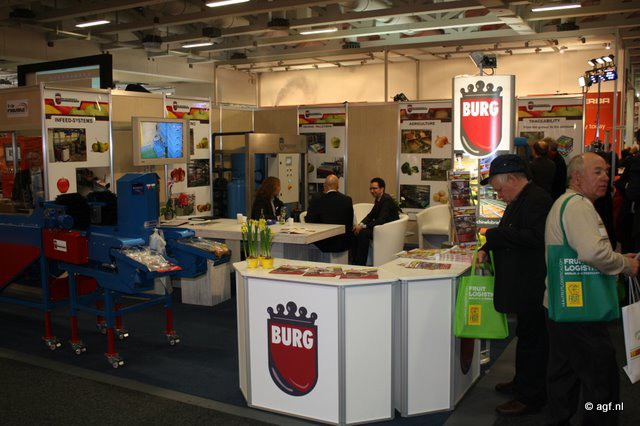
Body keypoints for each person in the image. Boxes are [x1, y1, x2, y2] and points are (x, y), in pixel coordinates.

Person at [544, 153, 639, 426]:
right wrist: (625, 264)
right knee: (601, 378)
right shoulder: (578, 206)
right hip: (580, 310)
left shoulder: (566, 203)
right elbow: (592, 252)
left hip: (561, 305)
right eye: (597, 172)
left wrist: (617, 258)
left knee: (563, 374)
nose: (605, 178)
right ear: (576, 177)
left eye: (606, 171)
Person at [477, 154, 552, 416]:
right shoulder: (520, 198)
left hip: (533, 285)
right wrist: (488, 246)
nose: (499, 195)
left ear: (512, 179)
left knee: (535, 341)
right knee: (526, 335)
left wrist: (496, 235)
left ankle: (531, 397)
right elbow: (509, 230)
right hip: (523, 284)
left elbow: (537, 237)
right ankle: (521, 383)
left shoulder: (537, 199)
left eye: (499, 189)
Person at [351, 177, 399, 265]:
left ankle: (361, 263)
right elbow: (370, 215)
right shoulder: (379, 199)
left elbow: (381, 220)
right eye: (371, 188)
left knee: (363, 233)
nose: (372, 191)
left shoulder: (386, 200)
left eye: (375, 188)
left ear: (382, 189)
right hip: (380, 228)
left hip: (388, 230)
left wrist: (363, 226)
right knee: (355, 231)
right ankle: (355, 261)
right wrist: (360, 224)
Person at [305, 174, 354, 253]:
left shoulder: (317, 199)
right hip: (344, 242)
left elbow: (309, 220)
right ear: (338, 186)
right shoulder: (347, 200)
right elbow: (350, 222)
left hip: (325, 243)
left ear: (325, 186)